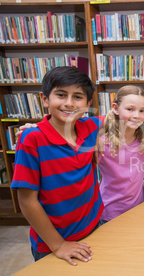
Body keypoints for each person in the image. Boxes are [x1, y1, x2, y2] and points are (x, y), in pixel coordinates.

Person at [10, 66, 104, 266]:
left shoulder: (92, 127)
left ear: (88, 104)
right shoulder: (32, 139)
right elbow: (27, 202)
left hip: (95, 228)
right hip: (53, 243)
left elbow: (126, 115)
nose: (69, 103)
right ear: (45, 99)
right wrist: (59, 245)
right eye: (61, 95)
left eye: (77, 97)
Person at [97, 85, 144, 222]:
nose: (136, 116)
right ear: (115, 108)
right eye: (130, 109)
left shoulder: (143, 140)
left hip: (137, 210)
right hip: (109, 213)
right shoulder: (102, 143)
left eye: (142, 111)